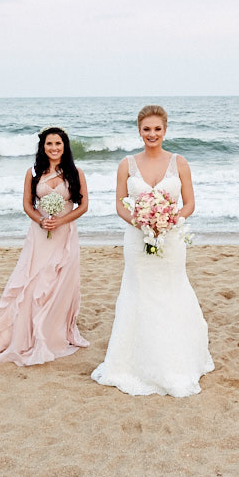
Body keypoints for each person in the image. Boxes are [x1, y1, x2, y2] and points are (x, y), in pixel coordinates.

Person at [91, 105, 214, 396]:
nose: (152, 134)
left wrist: (170, 221)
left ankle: (176, 360)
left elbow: (189, 203)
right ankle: (132, 363)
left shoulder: (179, 162)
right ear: (139, 130)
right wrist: (141, 220)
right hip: (137, 239)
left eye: (157, 129)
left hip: (171, 240)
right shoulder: (127, 165)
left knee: (172, 292)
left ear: (165, 130)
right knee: (139, 293)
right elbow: (120, 204)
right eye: (147, 129)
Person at [0, 126, 89, 364]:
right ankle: (26, 332)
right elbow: (27, 204)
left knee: (59, 281)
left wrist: (61, 220)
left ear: (64, 146)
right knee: (33, 280)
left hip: (65, 232)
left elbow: (83, 205)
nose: (54, 148)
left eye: (58, 144)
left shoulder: (75, 172)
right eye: (49, 144)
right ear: (43, 146)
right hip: (39, 235)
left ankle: (53, 331)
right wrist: (41, 220)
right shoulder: (34, 172)